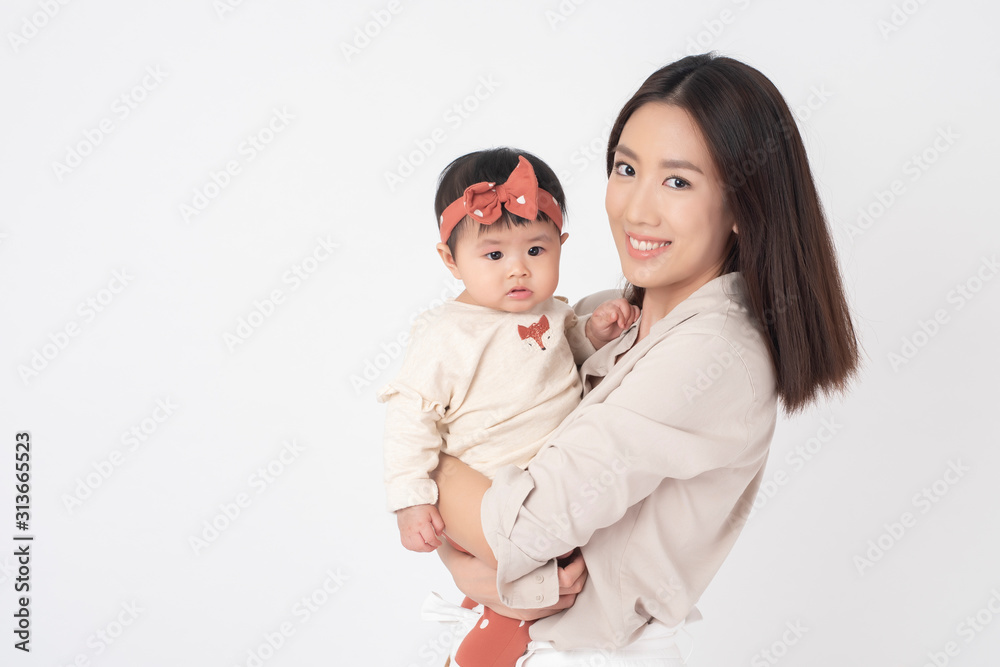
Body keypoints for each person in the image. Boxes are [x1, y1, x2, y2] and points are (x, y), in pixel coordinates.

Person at [431, 53, 862, 666]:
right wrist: (467, 562)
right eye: (626, 168)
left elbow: (521, 530)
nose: (636, 209)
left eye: (678, 181)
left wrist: (433, 465)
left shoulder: (713, 355)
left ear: (743, 204)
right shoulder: (600, 316)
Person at [378, 148, 640, 667]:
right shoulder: (446, 334)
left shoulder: (552, 312)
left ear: (561, 246)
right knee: (551, 574)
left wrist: (594, 332)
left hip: (549, 477)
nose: (518, 271)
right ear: (451, 260)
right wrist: (409, 500)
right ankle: (483, 651)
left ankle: (485, 607)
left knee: (571, 553)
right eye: (494, 255)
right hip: (490, 489)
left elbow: (562, 362)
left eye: (536, 251)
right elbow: (410, 419)